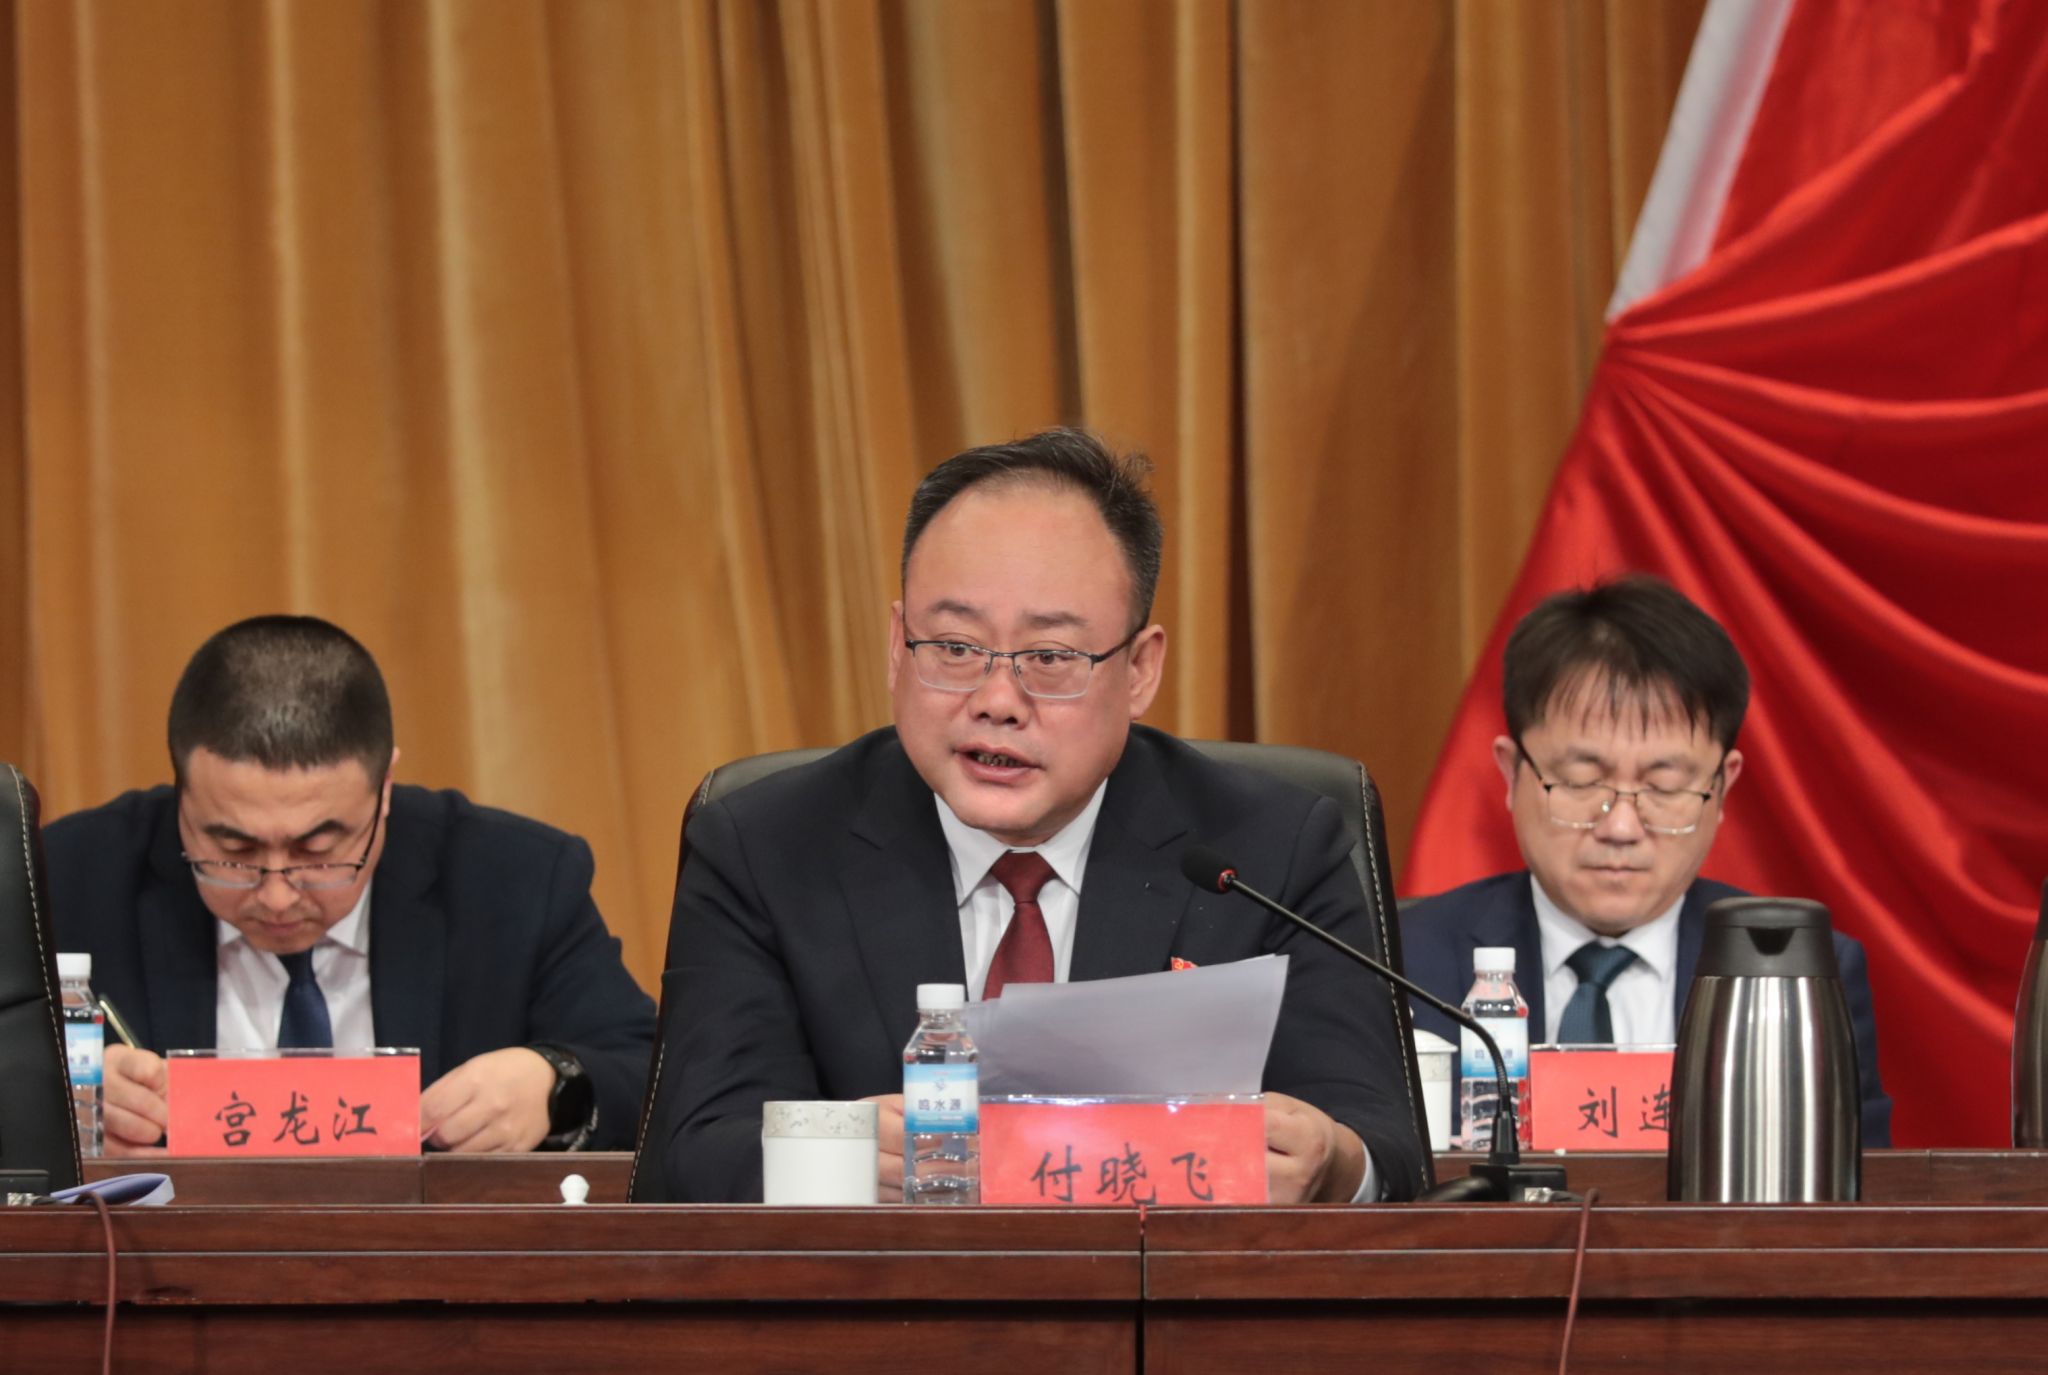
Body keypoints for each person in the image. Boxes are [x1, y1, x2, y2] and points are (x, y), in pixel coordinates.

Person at [655, 430, 1427, 1203]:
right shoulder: (765, 848)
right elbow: (694, 1153)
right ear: (897, 644)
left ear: (1140, 669)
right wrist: (842, 1155)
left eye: (1051, 657)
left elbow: (1383, 1147)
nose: (997, 700)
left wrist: (1332, 1163)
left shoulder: (1268, 850)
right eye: (954, 646)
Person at [45, 616, 656, 1155]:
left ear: (384, 790)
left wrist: (553, 1083)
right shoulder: (65, 877)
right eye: (234, 852)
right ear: (181, 791)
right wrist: (51, 1102)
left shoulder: (513, 878)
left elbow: (648, 1069)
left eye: (318, 851)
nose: (277, 895)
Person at [1401, 576, 1892, 1145]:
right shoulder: (1406, 963)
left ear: (1722, 788)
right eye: (1582, 781)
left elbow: (1849, 1187)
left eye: (1665, 787)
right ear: (1512, 774)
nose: (1621, 828)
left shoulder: (1802, 978)